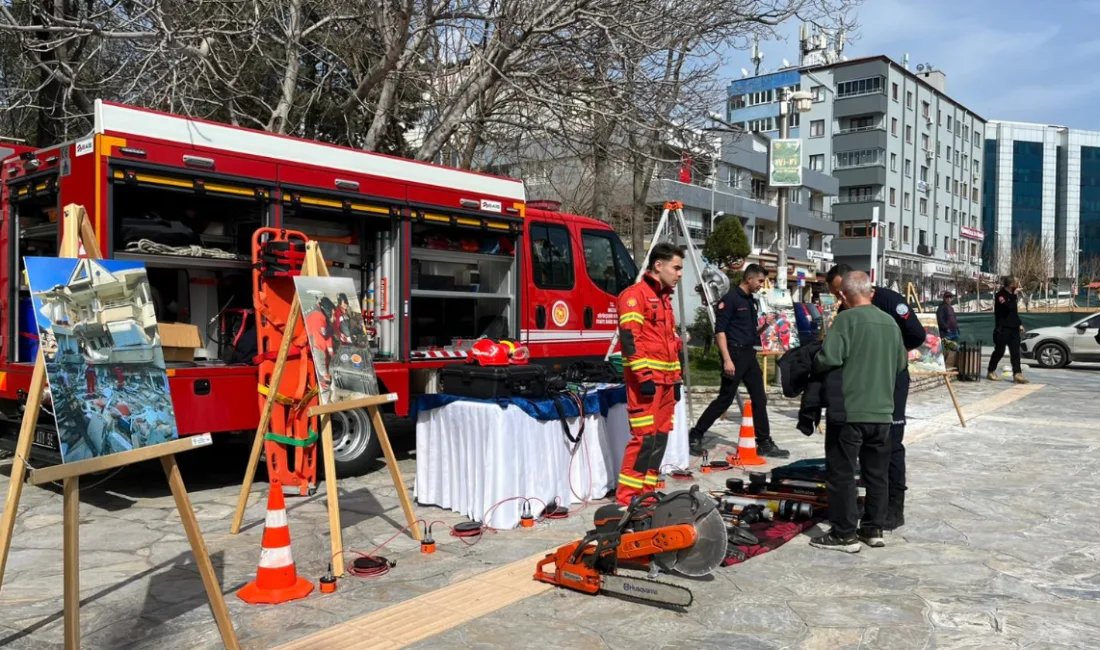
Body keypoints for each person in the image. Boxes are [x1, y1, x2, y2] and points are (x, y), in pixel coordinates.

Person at [810, 270, 907, 553]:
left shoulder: (845, 320)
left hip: (850, 411)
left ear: (842, 294)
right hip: (883, 413)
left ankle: (844, 534)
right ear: (871, 293)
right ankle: (873, 528)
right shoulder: (890, 323)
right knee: (877, 473)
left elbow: (830, 358)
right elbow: (901, 363)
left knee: (841, 473)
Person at [826, 264, 925, 531]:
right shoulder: (846, 310)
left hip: (891, 379)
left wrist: (889, 352)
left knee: (890, 444)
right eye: (837, 294)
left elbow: (917, 334)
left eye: (841, 291)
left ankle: (893, 507)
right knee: (861, 448)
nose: (840, 298)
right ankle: (865, 507)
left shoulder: (889, 301)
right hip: (861, 387)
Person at [688, 264, 788, 459]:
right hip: (733, 354)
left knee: (760, 398)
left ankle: (764, 442)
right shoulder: (730, 299)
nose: (761, 285)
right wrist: (727, 359)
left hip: (749, 354)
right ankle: (696, 435)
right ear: (749, 278)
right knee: (725, 399)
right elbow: (720, 331)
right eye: (759, 281)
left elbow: (750, 333)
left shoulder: (751, 301)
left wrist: (764, 327)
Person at [614, 242, 685, 505]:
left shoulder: (664, 300)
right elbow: (631, 340)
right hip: (646, 384)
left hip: (666, 384)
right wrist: (643, 378)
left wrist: (676, 379)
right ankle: (627, 497)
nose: (679, 274)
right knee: (644, 439)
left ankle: (646, 492)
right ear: (658, 265)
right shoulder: (634, 296)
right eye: (676, 268)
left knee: (659, 438)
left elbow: (671, 344)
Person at [987, 276, 1029, 384]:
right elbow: (1008, 307)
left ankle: (1017, 374)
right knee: (999, 351)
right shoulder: (1000, 295)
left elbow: (1014, 312)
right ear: (1011, 285)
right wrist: (1014, 295)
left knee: (1015, 352)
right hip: (1002, 329)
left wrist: (1019, 323)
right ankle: (991, 370)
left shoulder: (1011, 296)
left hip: (1014, 328)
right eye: (1016, 283)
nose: (1017, 285)